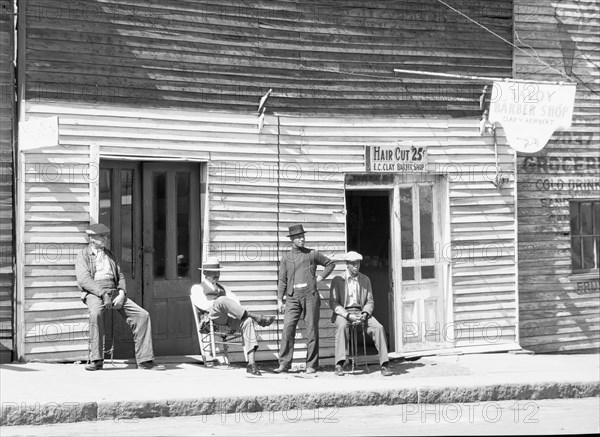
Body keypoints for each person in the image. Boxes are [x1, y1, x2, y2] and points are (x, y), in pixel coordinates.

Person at [75, 223, 165, 371]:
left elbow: (120, 275)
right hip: (95, 293)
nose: (105, 238)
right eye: (101, 236)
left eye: (105, 236)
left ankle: (145, 360)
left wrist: (122, 293)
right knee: (95, 314)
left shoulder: (110, 255)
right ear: (92, 238)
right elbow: (84, 279)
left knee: (142, 315)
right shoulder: (83, 255)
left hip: (114, 291)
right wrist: (103, 294)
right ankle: (96, 360)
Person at [190, 256, 275, 376]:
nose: (216, 274)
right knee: (222, 300)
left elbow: (236, 303)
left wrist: (229, 308)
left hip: (227, 320)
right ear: (205, 273)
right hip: (212, 319)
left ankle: (251, 363)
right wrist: (222, 304)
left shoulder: (224, 288)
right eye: (213, 272)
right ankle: (258, 317)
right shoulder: (198, 288)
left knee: (248, 321)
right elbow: (204, 305)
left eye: (218, 271)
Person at [274, 224, 335, 374]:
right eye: (298, 237)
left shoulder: (312, 254)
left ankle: (311, 365)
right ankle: (284, 364)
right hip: (292, 297)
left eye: (303, 236)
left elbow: (330, 264)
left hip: (310, 296)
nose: (301, 239)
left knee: (312, 330)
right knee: (288, 328)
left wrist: (320, 277)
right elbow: (282, 280)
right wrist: (279, 300)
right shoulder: (286, 258)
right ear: (292, 240)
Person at [329, 251, 393, 376]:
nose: (356, 266)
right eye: (352, 264)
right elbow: (333, 303)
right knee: (342, 326)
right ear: (346, 264)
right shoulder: (338, 280)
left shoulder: (365, 279)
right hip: (344, 313)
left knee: (378, 327)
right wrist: (347, 315)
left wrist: (365, 313)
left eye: (357, 263)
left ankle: (384, 365)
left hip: (361, 312)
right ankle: (339, 364)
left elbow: (370, 301)